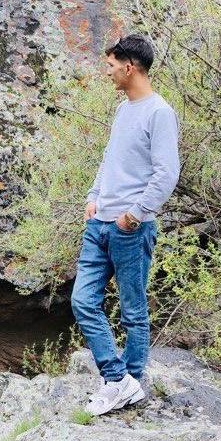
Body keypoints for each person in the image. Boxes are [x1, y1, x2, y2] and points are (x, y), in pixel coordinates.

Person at [75, 34, 181, 417]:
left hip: (129, 229)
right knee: (83, 301)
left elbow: (167, 173)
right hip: (99, 223)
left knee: (133, 311)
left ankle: (128, 381)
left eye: (110, 66)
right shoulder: (123, 111)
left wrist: (134, 215)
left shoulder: (159, 112)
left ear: (129, 66)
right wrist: (93, 196)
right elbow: (109, 160)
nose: (108, 73)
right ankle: (120, 381)